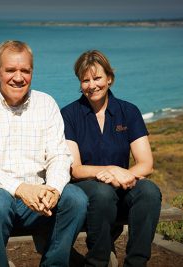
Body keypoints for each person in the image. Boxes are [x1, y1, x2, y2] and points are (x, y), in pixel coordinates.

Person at [0, 40, 88, 267]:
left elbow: (59, 154)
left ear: (32, 72)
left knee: (76, 199)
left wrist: (55, 190)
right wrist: (20, 189)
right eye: (10, 70)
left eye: (25, 71)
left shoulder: (46, 104)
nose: (18, 78)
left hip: (39, 196)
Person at [61, 50, 162, 267]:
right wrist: (109, 170)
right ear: (80, 83)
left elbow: (146, 164)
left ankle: (136, 263)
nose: (92, 85)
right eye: (85, 80)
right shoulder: (68, 115)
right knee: (102, 192)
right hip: (87, 189)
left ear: (109, 78)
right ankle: (97, 262)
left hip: (123, 186)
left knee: (149, 191)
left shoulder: (129, 111)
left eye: (97, 78)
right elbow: (75, 169)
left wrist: (121, 174)